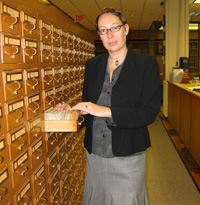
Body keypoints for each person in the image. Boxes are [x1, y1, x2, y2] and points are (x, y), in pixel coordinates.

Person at [59, 7, 161, 205]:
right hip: (95, 152)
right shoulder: (92, 65)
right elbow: (88, 109)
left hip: (128, 154)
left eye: (115, 27)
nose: (109, 34)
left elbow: (149, 113)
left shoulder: (145, 64)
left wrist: (106, 111)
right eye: (103, 30)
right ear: (99, 34)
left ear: (126, 29)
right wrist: (70, 112)